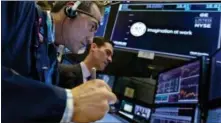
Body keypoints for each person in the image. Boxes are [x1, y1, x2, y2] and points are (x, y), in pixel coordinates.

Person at [2, 1, 117, 123]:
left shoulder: (51, 58)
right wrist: (68, 103)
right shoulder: (19, 6)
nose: (90, 40)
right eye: (92, 26)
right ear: (72, 9)